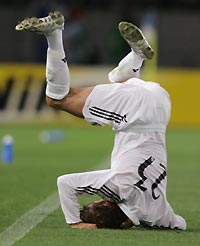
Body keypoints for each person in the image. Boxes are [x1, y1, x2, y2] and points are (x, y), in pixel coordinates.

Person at [15, 11, 186, 230]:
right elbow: (65, 183)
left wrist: (133, 221)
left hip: (160, 105)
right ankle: (54, 33)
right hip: (135, 112)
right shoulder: (117, 188)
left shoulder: (157, 216)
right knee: (57, 99)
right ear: (105, 202)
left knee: (111, 83)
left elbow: (179, 224)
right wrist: (75, 222)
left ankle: (136, 57)